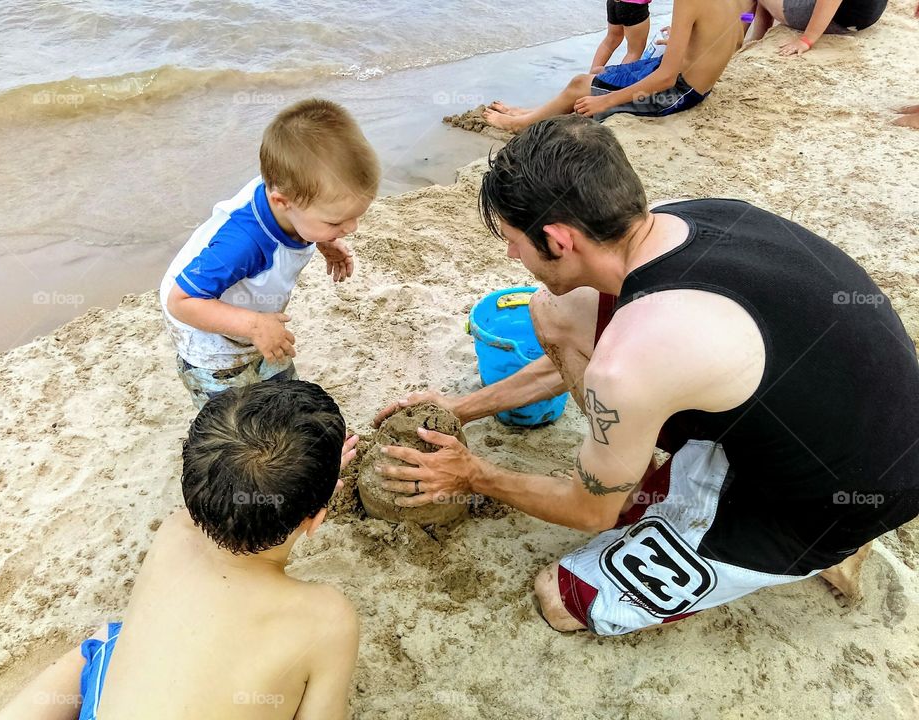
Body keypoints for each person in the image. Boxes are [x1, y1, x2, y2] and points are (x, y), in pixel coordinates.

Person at [374, 116, 919, 636]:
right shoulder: (691, 216)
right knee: (557, 311)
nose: (513, 252)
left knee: (562, 599)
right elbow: (590, 352)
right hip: (849, 409)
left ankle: (824, 552)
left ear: (560, 240)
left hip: (835, 497)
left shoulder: (631, 364)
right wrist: (457, 407)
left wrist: (472, 474)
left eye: (514, 240)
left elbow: (589, 512)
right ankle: (654, 465)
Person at [0, 380, 360, 720]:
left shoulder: (175, 531)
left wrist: (305, 481)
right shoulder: (329, 618)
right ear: (317, 519)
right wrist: (313, 481)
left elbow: (232, 483)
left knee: (108, 639)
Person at [160, 98, 380, 409]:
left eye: (355, 216)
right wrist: (253, 326)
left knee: (280, 397)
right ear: (281, 201)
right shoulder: (243, 243)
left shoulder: (295, 201)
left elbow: (303, 223)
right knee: (234, 421)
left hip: (250, 319)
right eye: (336, 221)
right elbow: (181, 301)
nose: (352, 228)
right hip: (210, 337)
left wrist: (325, 239)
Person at [482, 0, 753, 131]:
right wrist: (692, 35)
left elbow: (666, 79)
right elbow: (739, 34)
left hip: (679, 91)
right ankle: (530, 112)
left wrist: (606, 102)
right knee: (601, 74)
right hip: (689, 78)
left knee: (581, 85)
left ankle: (519, 124)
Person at [749, 0, 888, 55]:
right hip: (868, 14)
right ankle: (756, 34)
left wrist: (806, 40)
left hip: (840, 18)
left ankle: (757, 36)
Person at [590, 0, 654, 72]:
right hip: (634, 5)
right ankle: (616, 80)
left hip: (614, 3)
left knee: (611, 40)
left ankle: (589, 79)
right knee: (634, 52)